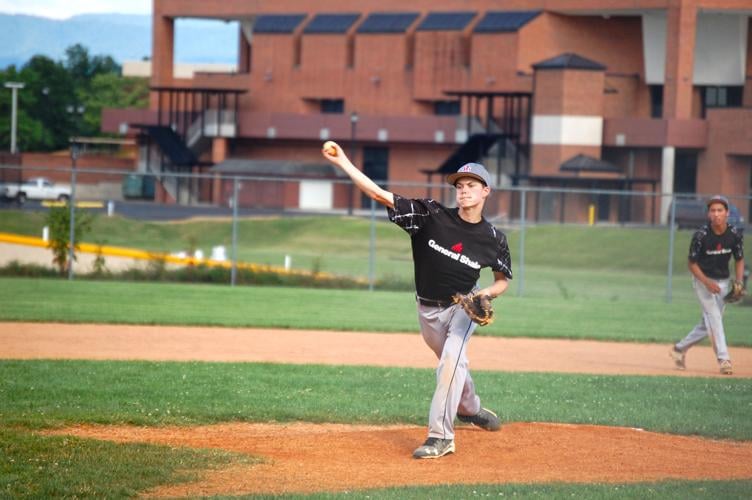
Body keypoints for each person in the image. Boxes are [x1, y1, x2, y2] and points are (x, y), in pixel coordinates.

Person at [322, 141, 512, 459]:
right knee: (453, 366)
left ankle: (441, 437)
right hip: (427, 312)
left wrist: (486, 293)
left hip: (463, 309)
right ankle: (470, 407)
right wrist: (343, 163)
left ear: (485, 192)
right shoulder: (430, 215)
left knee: (451, 362)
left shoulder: (494, 239)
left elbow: (502, 280)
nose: (463, 191)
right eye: (460, 185)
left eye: (471, 186)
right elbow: (379, 195)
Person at [670, 194, 745, 375]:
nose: (716, 214)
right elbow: (692, 264)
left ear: (727, 213)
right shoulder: (701, 236)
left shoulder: (734, 234)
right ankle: (724, 359)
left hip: (723, 282)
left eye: (720, 210)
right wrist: (706, 282)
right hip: (702, 281)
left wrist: (739, 282)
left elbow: (739, 259)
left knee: (708, 324)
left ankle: (679, 349)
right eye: (712, 210)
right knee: (715, 318)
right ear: (708, 214)